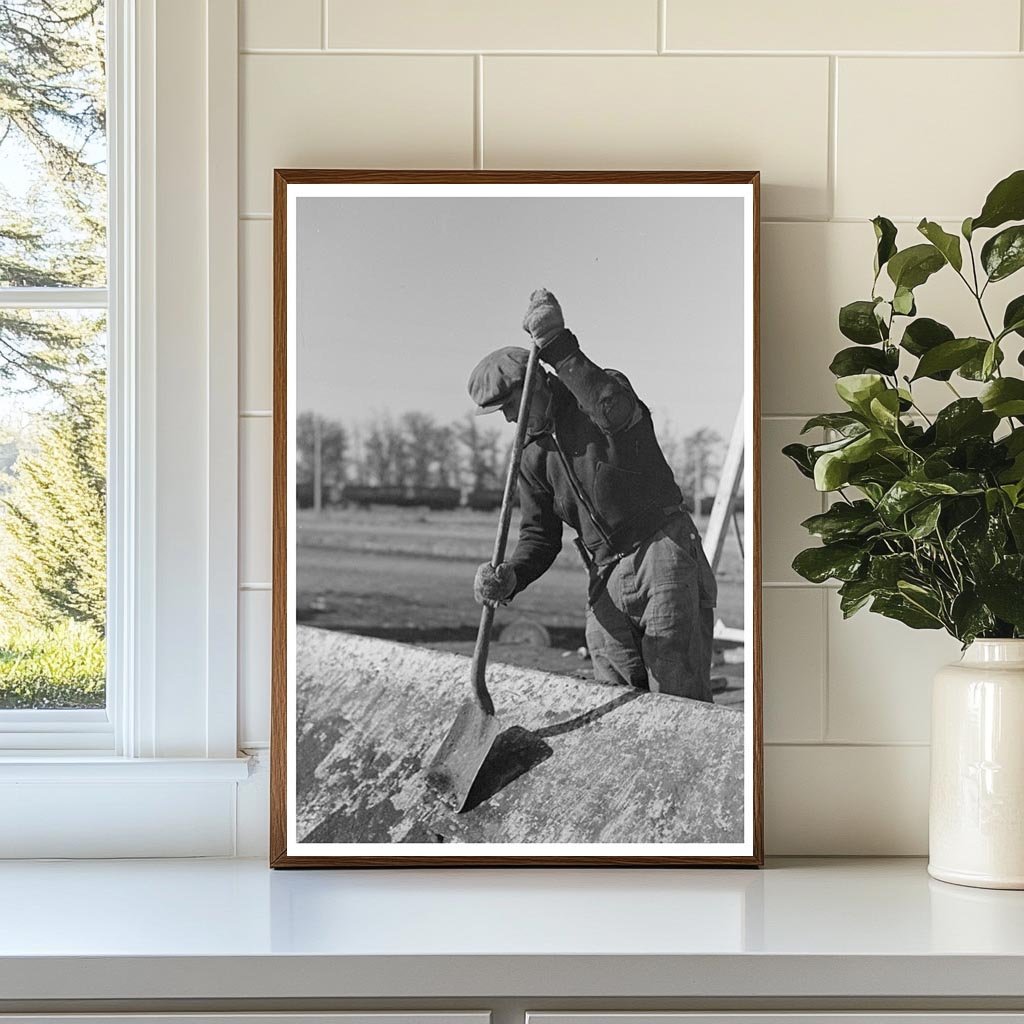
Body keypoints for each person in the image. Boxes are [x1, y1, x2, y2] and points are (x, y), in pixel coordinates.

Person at [467, 289, 718, 703]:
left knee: (677, 692)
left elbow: (612, 411)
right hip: (604, 572)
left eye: (510, 404)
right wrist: (511, 574)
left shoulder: (599, 396)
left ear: (537, 384)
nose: (509, 417)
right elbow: (539, 536)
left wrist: (557, 345)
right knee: (613, 697)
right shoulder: (530, 454)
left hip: (661, 549)